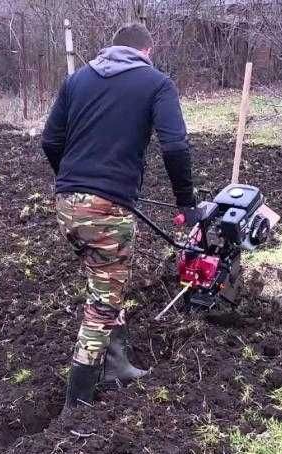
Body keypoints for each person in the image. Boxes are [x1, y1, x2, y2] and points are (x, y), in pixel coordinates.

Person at [41, 23, 198, 412]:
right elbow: (174, 146)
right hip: (108, 209)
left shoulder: (77, 79)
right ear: (148, 49)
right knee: (102, 303)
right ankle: (75, 405)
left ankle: (119, 366)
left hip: (65, 203)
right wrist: (186, 203)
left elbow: (50, 140)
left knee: (104, 282)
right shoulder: (156, 83)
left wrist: (74, 182)